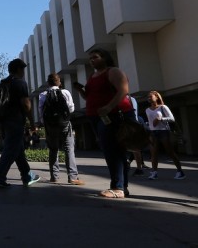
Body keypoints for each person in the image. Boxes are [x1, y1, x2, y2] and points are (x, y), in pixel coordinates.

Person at [73, 48, 135, 199]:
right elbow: (90, 98)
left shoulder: (113, 71)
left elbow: (123, 91)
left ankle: (118, 187)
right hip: (96, 116)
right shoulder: (93, 75)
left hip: (113, 115)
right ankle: (121, 187)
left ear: (105, 57)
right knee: (111, 150)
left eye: (95, 57)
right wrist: (81, 90)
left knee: (112, 151)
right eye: (90, 58)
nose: (92, 60)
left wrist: (109, 107)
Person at [0, 58, 41, 188]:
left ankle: (26, 175)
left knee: (17, 149)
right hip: (16, 120)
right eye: (23, 68)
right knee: (10, 149)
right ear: (19, 69)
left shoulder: (3, 83)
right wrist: (32, 122)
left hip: (5, 121)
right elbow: (26, 104)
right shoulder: (20, 83)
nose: (24, 71)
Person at [38, 73, 84, 185]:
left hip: (50, 126)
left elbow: (41, 112)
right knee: (69, 149)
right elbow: (71, 109)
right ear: (59, 82)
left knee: (53, 150)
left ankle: (54, 176)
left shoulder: (43, 94)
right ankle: (72, 177)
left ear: (48, 83)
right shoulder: (65, 92)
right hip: (64, 124)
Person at [145, 91, 185, 180]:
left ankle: (180, 171)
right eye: (148, 97)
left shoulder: (163, 107)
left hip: (163, 131)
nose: (149, 98)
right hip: (153, 132)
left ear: (156, 97)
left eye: (150, 96)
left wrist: (161, 119)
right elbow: (151, 122)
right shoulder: (147, 110)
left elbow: (172, 118)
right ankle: (154, 172)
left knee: (170, 152)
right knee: (153, 153)